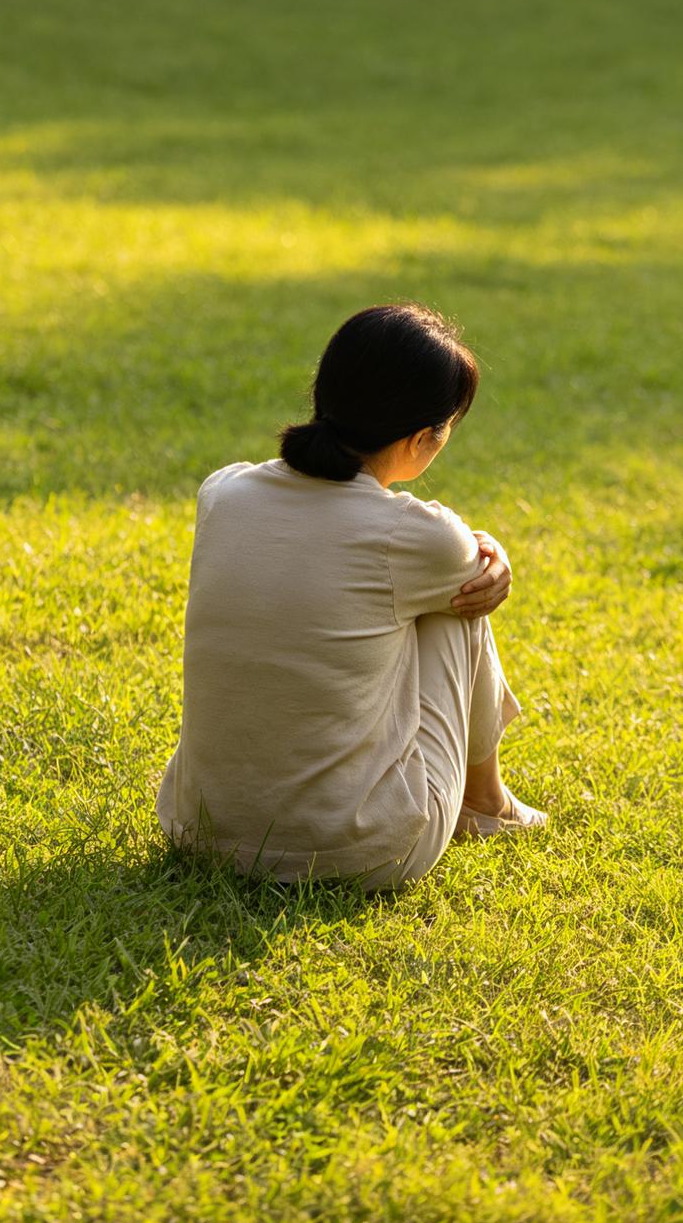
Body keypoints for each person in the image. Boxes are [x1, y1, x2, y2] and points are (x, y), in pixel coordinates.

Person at [156, 302, 546, 890]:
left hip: (199, 831)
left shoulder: (224, 491)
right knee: (465, 598)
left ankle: (483, 801)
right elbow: (463, 558)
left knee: (435, 589)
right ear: (422, 438)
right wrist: (493, 556)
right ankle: (486, 802)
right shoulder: (419, 538)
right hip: (358, 853)